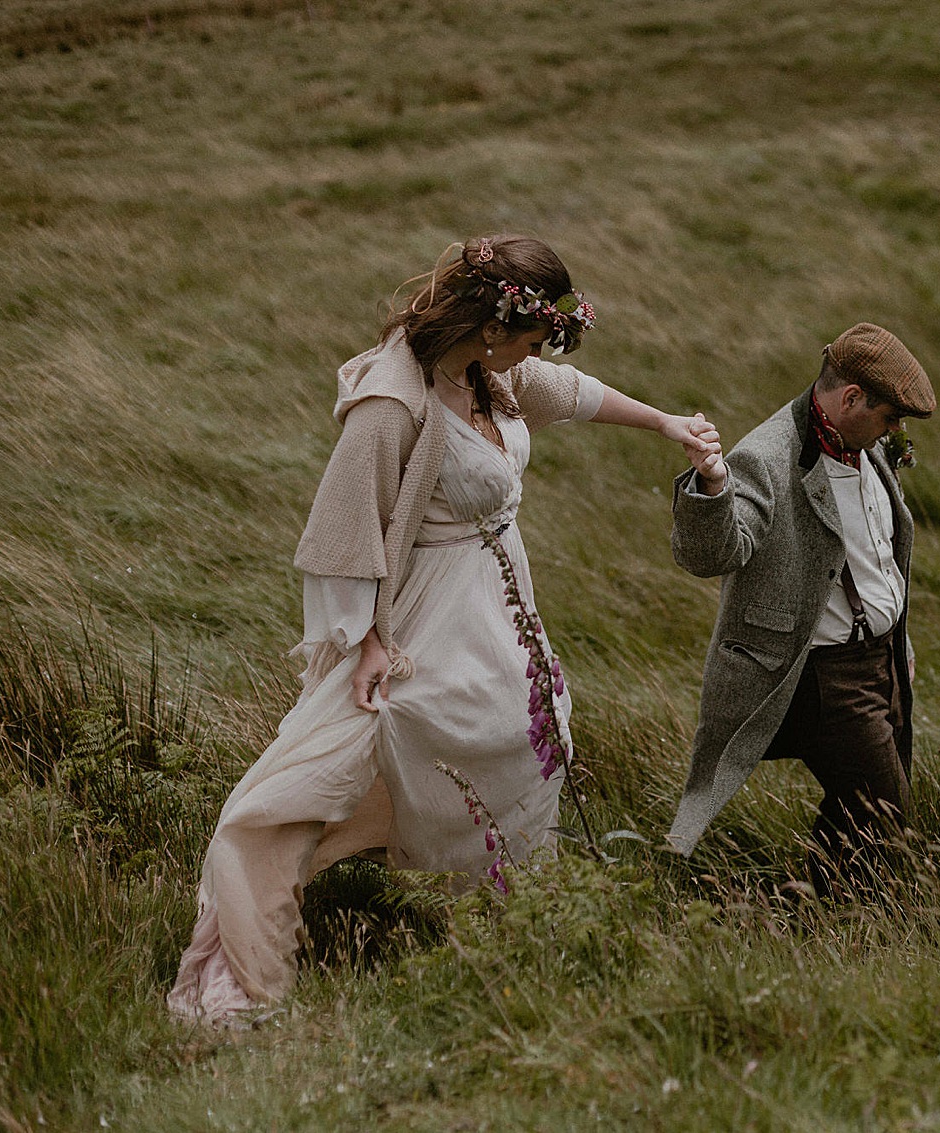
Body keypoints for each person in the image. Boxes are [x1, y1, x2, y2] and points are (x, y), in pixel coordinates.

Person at [168, 234, 720, 1022]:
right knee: (333, 764)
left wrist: (666, 421)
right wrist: (365, 644)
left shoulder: (485, 367)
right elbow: (342, 532)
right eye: (532, 338)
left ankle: (505, 920)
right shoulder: (395, 401)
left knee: (523, 739)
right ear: (494, 325)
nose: (535, 357)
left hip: (497, 609)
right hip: (420, 618)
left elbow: (564, 390)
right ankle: (245, 962)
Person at [665, 323, 935, 891]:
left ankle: (802, 908)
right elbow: (714, 554)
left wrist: (899, 643)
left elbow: (879, 555)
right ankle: (814, 915)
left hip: (882, 662)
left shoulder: (872, 446)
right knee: (888, 817)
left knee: (860, 811)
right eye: (890, 416)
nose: (896, 431)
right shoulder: (767, 457)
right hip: (824, 676)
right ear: (851, 398)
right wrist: (712, 488)